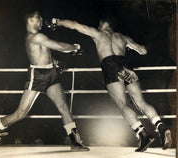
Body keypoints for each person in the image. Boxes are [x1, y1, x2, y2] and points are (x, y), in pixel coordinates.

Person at [45, 17, 172, 152]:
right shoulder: (123, 37)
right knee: (141, 102)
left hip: (111, 66)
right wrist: (129, 46)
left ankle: (143, 134)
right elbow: (143, 51)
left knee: (122, 104)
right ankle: (161, 127)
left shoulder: (98, 34)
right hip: (126, 64)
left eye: (100, 23)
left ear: (105, 23)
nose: (98, 25)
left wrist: (56, 21)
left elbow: (75, 25)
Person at [0, 11, 89, 151]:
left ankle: (75, 142)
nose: (42, 20)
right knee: (20, 113)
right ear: (31, 20)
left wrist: (55, 62)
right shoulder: (35, 36)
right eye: (39, 18)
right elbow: (60, 47)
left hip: (51, 73)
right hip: (37, 76)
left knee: (63, 107)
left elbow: (44, 53)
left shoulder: (39, 37)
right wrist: (75, 47)